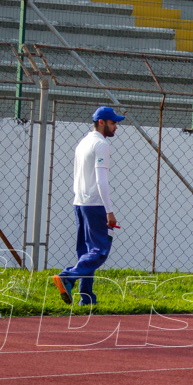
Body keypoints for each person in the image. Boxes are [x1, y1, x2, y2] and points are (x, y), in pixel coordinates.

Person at [52, 106, 125, 306]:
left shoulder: (83, 142)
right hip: (95, 204)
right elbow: (101, 181)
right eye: (113, 122)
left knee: (85, 252)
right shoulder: (101, 145)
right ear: (101, 122)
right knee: (100, 251)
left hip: (80, 202)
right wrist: (109, 210)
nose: (116, 126)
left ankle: (87, 297)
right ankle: (68, 277)